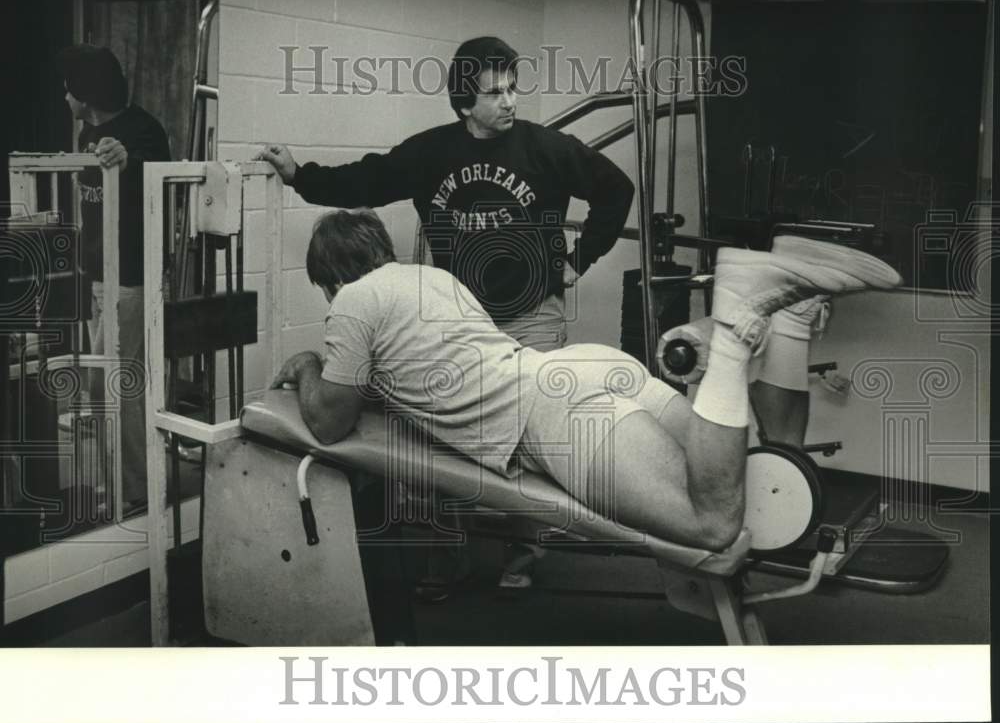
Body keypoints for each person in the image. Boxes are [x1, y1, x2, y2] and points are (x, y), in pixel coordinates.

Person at [271, 209, 902, 560]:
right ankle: (786, 322)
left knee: (710, 522)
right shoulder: (429, 279)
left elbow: (330, 419)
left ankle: (734, 329)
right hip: (587, 368)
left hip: (553, 416)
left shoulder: (351, 302)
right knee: (743, 482)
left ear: (329, 278)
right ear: (380, 246)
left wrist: (305, 366)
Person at [258, 35, 635, 593]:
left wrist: (577, 262)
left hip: (530, 313)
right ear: (464, 104)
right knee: (440, 436)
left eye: (512, 89)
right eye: (494, 93)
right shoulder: (432, 153)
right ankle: (448, 558)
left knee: (534, 440)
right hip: (460, 318)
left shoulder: (547, 148)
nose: (509, 102)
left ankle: (524, 551)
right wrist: (298, 175)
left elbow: (616, 189)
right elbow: (367, 179)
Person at [56, 44, 171, 514]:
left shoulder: (143, 130)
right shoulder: (87, 130)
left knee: (116, 385)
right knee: (106, 384)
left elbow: (160, 181)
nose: (65, 98)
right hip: (98, 277)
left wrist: (128, 161)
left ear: (86, 93)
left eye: (70, 90)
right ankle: (121, 486)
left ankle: (136, 491)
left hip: (133, 279)